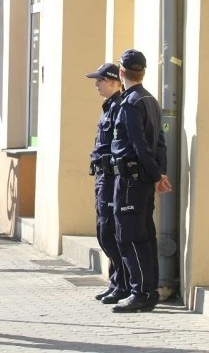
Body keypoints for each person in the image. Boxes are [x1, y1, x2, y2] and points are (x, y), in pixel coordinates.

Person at [109, 49, 173, 312]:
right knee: (145, 236)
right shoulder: (150, 100)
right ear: (143, 71)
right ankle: (148, 292)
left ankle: (140, 293)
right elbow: (160, 143)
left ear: (121, 72)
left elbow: (139, 143)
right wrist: (159, 173)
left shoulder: (132, 102)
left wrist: (157, 175)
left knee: (130, 237)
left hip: (131, 180)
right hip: (144, 178)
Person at [85, 62, 128, 304]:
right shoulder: (109, 106)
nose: (96, 84)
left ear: (114, 81)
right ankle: (116, 281)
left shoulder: (121, 106)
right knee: (104, 231)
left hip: (112, 178)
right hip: (103, 177)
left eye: (100, 80)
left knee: (111, 231)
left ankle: (122, 283)